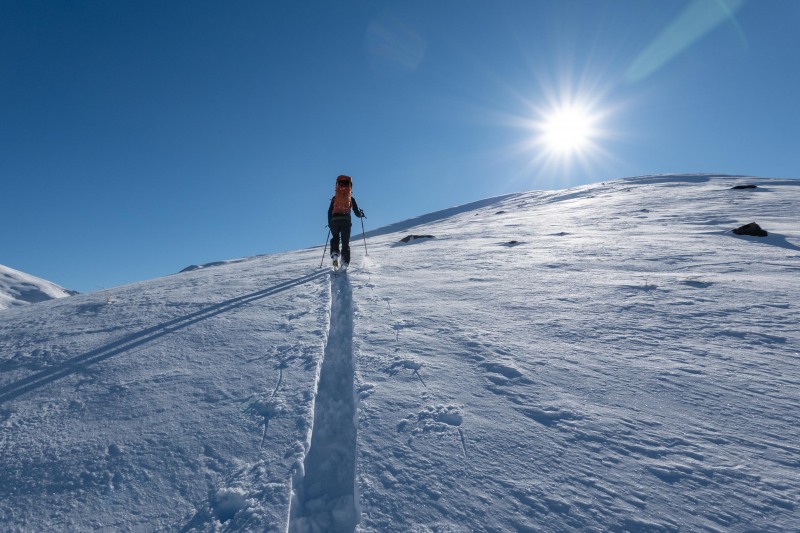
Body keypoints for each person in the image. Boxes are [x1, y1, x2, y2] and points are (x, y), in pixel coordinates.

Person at [328, 175, 365, 268]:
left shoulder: (335, 198)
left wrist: (330, 223)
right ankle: (344, 263)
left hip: (334, 220)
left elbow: (329, 211)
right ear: (350, 186)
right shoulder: (351, 198)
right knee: (345, 242)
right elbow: (356, 212)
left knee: (335, 238)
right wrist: (361, 214)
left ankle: (335, 257)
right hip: (346, 221)